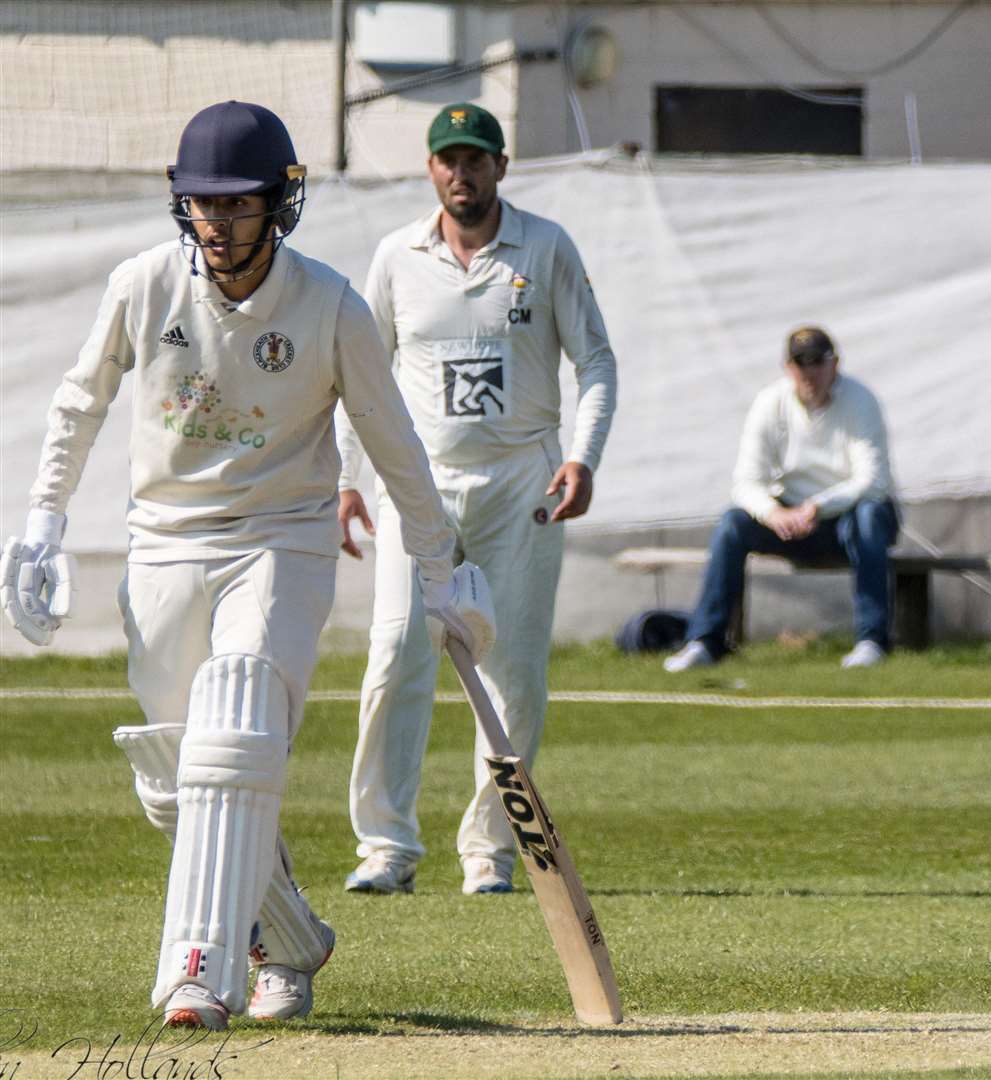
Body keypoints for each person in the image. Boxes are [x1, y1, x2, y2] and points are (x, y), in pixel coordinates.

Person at [0, 101, 492, 1030]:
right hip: (165, 541)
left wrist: (438, 566)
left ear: (280, 203)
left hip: (281, 538)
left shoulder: (330, 305)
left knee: (234, 727)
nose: (217, 225)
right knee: (170, 780)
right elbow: (78, 405)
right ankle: (294, 938)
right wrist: (41, 523)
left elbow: (394, 446)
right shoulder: (144, 285)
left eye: (237, 205)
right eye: (201, 205)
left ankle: (199, 973)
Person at [335, 102, 618, 897]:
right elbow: (362, 376)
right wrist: (349, 479)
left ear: (501, 166)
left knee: (515, 671)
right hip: (417, 486)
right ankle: (386, 845)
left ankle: (489, 850)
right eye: (448, 160)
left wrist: (582, 458)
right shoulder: (397, 256)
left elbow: (596, 361)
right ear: (431, 170)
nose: (462, 173)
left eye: (477, 159)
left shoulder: (547, 246)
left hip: (520, 484)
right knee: (397, 651)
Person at [664, 326, 897, 672]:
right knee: (732, 523)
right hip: (790, 521)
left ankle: (872, 641)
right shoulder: (769, 403)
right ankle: (704, 641)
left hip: (845, 518)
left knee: (869, 516)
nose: (810, 372)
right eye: (801, 363)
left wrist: (817, 507)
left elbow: (872, 482)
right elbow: (745, 483)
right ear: (788, 367)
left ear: (835, 364)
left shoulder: (861, 400)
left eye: (818, 361)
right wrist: (773, 514)